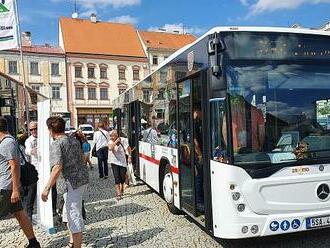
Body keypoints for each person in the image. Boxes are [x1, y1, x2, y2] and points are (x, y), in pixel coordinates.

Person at [41, 116, 89, 248]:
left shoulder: (57, 143)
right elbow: (82, 157)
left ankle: (77, 246)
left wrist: (47, 188)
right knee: (67, 214)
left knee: (73, 215)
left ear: (51, 130)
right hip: (81, 180)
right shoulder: (73, 140)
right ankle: (72, 242)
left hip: (71, 183)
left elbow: (57, 167)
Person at [0, 117, 41, 248]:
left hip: (6, 187)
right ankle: (33, 243)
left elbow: (15, 165)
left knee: (20, 214)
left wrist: (16, 189)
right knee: (19, 214)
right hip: (9, 187)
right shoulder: (5, 142)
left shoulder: (7, 142)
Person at [108, 130, 131, 201]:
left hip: (122, 162)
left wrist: (130, 156)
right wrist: (115, 141)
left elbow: (128, 148)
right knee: (116, 177)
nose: (111, 137)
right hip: (114, 162)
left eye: (113, 135)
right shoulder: (110, 142)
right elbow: (110, 148)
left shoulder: (124, 140)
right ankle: (118, 193)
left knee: (122, 177)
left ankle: (122, 187)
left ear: (117, 135)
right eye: (110, 135)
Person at [23, 121, 39, 221]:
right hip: (34, 169)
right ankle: (29, 214)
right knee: (31, 192)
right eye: (31, 129)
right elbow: (28, 150)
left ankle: (53, 210)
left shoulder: (45, 138)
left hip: (46, 168)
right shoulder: (29, 140)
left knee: (52, 190)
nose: (33, 131)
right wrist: (33, 151)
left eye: (35, 128)